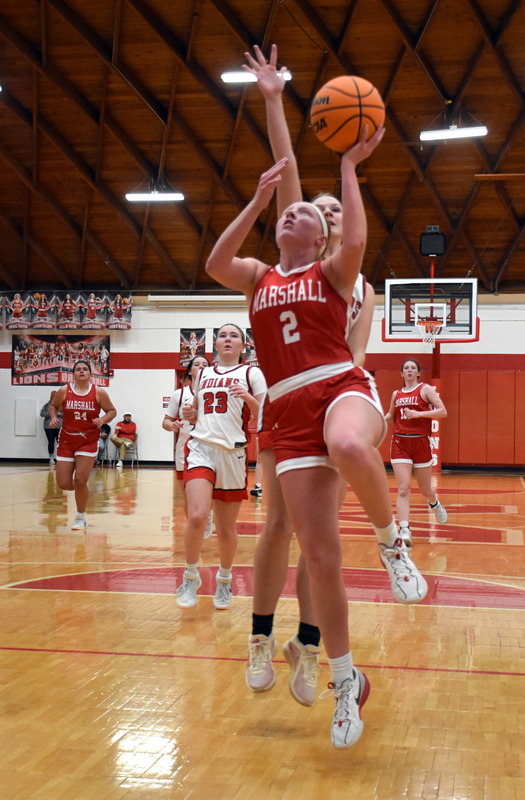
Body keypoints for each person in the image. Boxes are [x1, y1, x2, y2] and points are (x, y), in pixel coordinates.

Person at [204, 85, 432, 744]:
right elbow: (217, 258)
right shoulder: (260, 277)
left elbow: (350, 230)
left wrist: (350, 170)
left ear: (324, 231)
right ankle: (343, 682)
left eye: (304, 211)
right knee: (320, 554)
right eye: (287, 211)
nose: (291, 212)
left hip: (340, 385)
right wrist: (258, 186)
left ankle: (394, 546)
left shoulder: (337, 274)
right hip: (286, 410)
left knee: (352, 447)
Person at [176, 323, 266, 610]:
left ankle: (225, 580)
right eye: (223, 335)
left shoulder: (252, 373)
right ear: (215, 344)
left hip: (232, 454)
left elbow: (265, 413)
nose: (228, 339)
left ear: (243, 345)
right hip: (201, 447)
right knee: (198, 516)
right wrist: (191, 412)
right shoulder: (203, 374)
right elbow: (197, 413)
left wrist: (247, 397)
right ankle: (190, 575)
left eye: (234, 336)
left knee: (227, 529)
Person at [384, 358, 448, 546]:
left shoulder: (425, 390)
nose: (410, 370)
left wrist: (420, 414)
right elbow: (390, 415)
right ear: (402, 374)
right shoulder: (396, 394)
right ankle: (404, 529)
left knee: (426, 489)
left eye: (413, 368)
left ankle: (434, 504)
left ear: (418, 373)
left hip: (420, 443)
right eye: (406, 368)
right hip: (400, 443)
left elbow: (442, 411)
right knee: (403, 487)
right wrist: (377, 418)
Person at [49, 360, 116, 530]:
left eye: (85, 369)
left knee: (79, 479)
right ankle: (83, 490)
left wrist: (102, 420)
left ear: (90, 375)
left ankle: (80, 517)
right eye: (77, 369)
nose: (81, 371)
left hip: (87, 440)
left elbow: (112, 411)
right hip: (66, 440)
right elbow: (53, 406)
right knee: (63, 483)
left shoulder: (98, 392)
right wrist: (54, 417)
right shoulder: (64, 390)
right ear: (73, 374)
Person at [162, 355, 214, 538]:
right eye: (196, 364)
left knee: (209, 490)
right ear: (190, 371)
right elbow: (166, 421)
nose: (200, 367)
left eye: (205, 364)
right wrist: (172, 425)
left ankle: (207, 514)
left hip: (209, 447)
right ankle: (194, 525)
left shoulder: (214, 392)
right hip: (185, 447)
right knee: (187, 493)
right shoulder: (180, 394)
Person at [40, 390, 62, 466]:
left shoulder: (62, 405)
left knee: (60, 443)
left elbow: (67, 414)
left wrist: (59, 414)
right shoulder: (46, 405)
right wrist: (51, 414)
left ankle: (60, 458)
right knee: (51, 442)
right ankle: (51, 458)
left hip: (59, 426)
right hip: (49, 427)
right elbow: (42, 413)